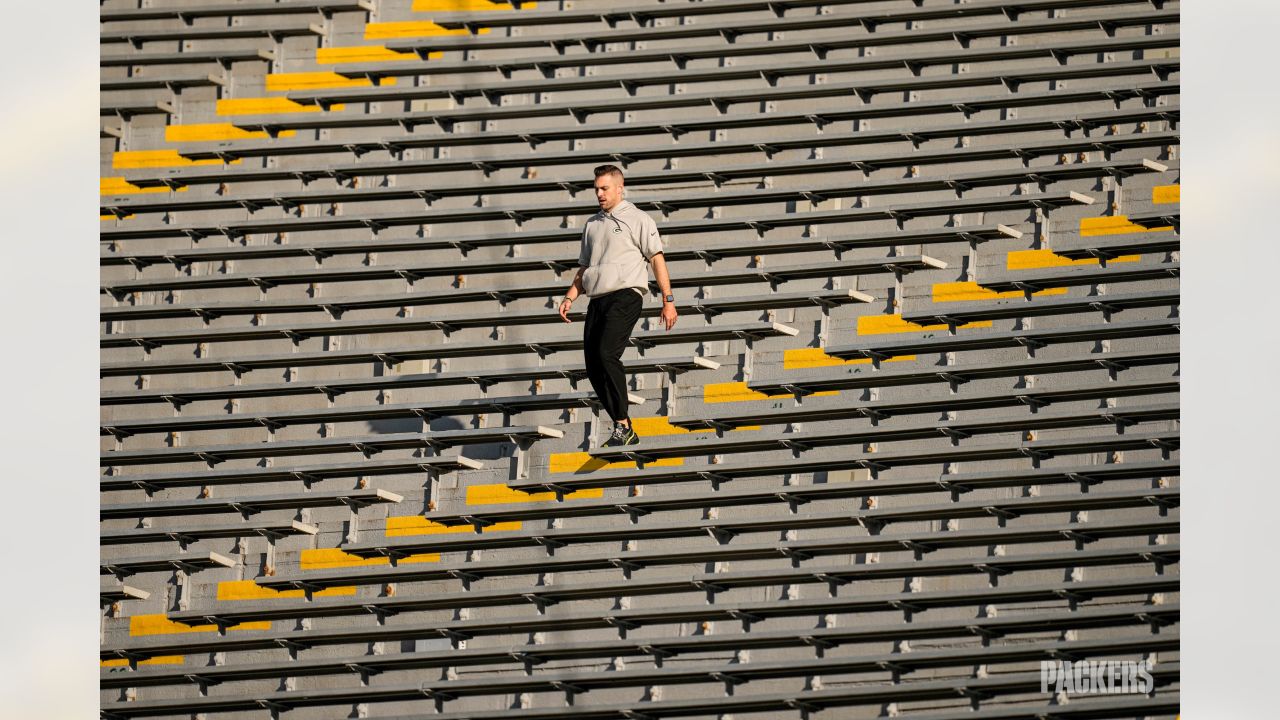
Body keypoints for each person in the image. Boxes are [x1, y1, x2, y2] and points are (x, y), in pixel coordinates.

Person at [558, 164, 678, 447]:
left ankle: (623, 424)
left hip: (625, 295)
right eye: (596, 188)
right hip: (597, 299)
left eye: (604, 188)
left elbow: (656, 259)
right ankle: (623, 426)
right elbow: (585, 268)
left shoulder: (638, 219)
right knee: (592, 365)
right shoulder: (592, 224)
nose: (599, 194)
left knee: (606, 353)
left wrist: (668, 300)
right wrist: (569, 296)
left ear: (619, 188)